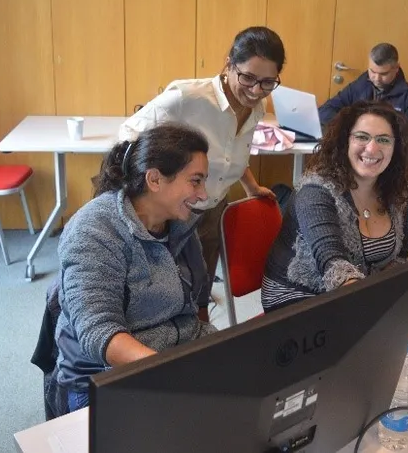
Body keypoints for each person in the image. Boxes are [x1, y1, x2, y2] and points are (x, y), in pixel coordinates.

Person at [119, 26, 285, 320]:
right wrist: (154, 190)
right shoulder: (188, 97)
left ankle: (198, 339)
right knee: (159, 292)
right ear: (229, 63)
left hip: (211, 208)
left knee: (200, 290)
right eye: (247, 77)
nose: (256, 90)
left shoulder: (257, 107)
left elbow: (232, 152)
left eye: (267, 82)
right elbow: (130, 134)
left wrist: (251, 187)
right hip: (169, 211)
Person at [53, 123, 216, 415]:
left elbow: (196, 304)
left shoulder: (180, 224)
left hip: (172, 360)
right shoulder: (95, 229)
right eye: (195, 181)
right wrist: (173, 376)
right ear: (154, 179)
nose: (203, 194)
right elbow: (99, 334)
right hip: (105, 377)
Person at [261, 101, 408, 313]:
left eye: (383, 140)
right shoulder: (315, 192)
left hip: (357, 292)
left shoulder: (395, 192)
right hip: (297, 296)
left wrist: (395, 302)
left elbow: (398, 258)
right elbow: (333, 263)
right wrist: (375, 310)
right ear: (345, 141)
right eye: (362, 137)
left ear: (397, 147)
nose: (372, 148)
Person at [318, 43, 408, 152]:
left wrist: (382, 139)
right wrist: (346, 128)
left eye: (383, 74)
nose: (376, 78)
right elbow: (325, 110)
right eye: (372, 71)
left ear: (396, 68)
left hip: (389, 158)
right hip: (355, 152)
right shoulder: (360, 85)